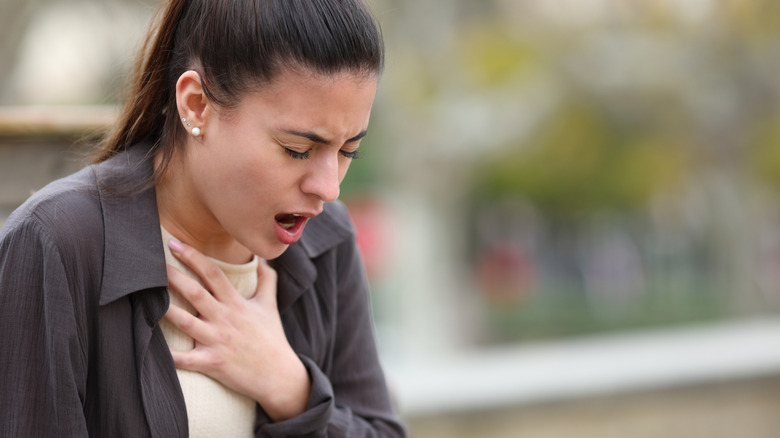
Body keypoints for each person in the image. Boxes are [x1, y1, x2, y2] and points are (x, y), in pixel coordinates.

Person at [0, 0, 407, 436]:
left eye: (348, 151)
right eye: (297, 150)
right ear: (196, 105)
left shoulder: (326, 240)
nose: (329, 189)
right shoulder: (56, 244)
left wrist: (292, 389)